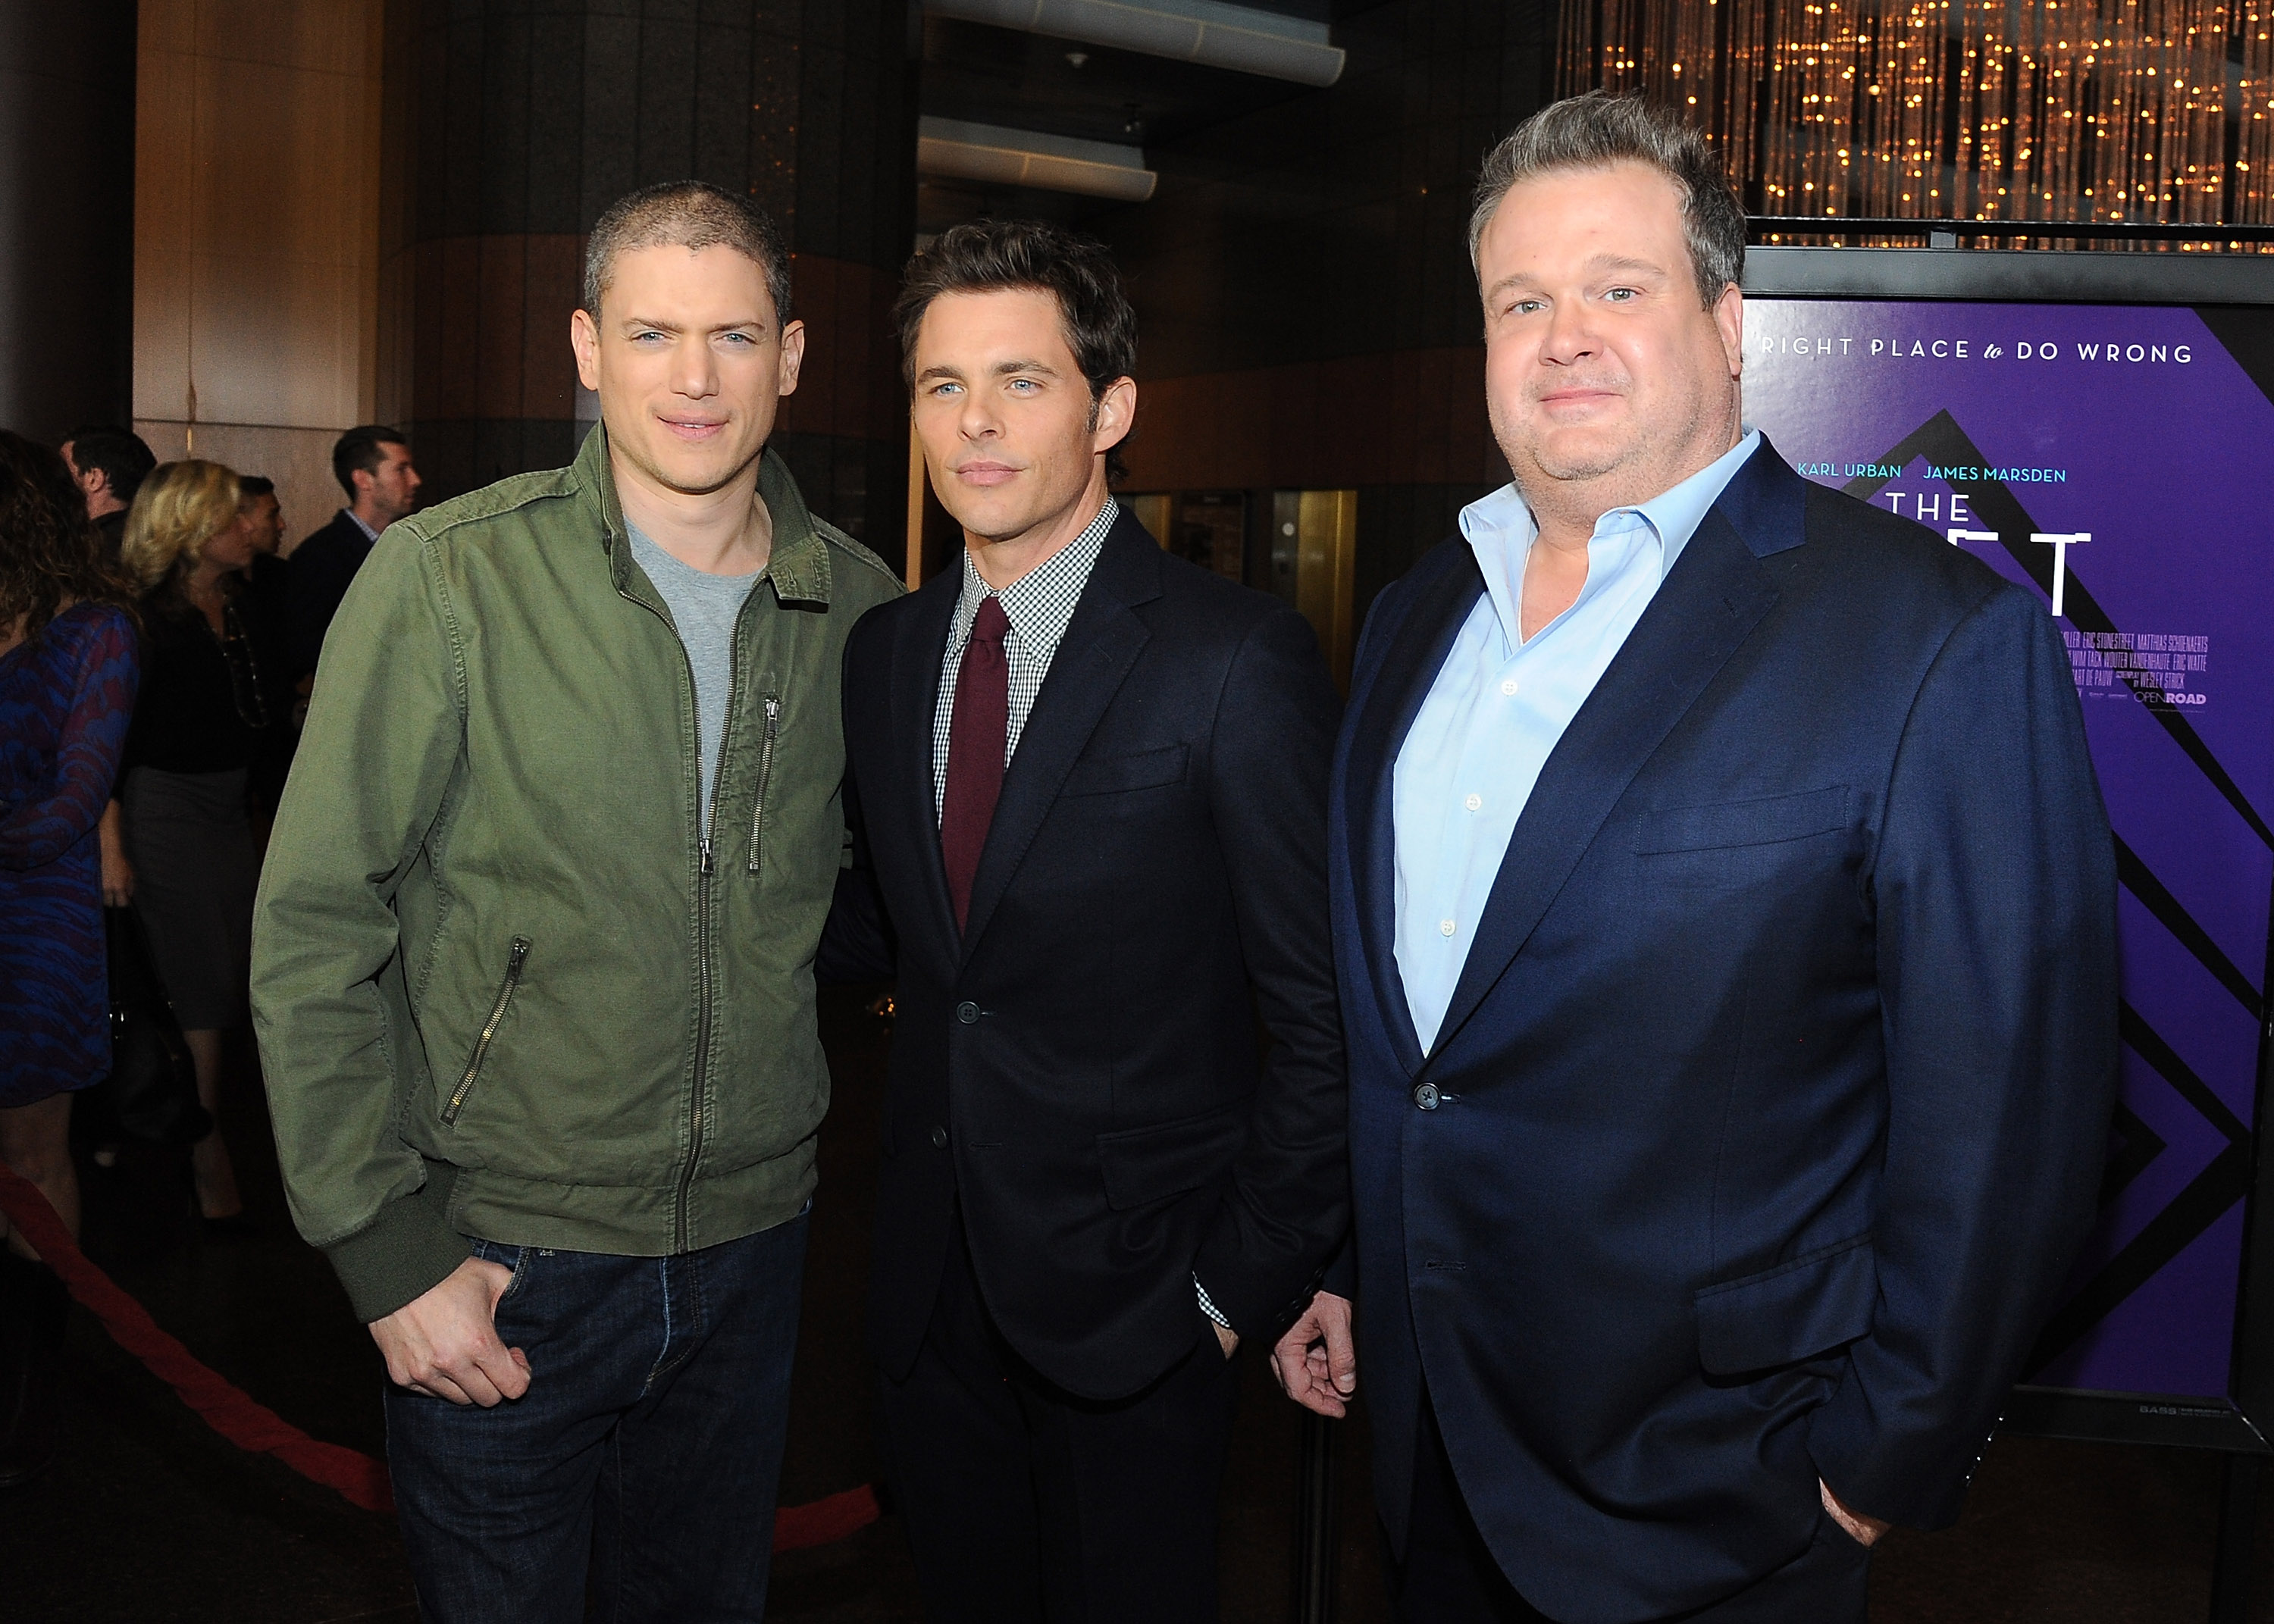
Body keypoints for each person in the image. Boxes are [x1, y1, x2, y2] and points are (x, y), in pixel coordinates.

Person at [1330, 93, 2118, 1623]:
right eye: (1522, 301)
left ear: (1729, 320)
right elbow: (1423, 1045)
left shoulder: (1931, 642)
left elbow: (2013, 1115)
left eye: (1618, 289)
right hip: (1432, 1453)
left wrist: (1878, 1462)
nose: (1565, 336)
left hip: (1722, 1502)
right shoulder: (1417, 612)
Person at [251, 180, 902, 1622]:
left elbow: (865, 898)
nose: (693, 377)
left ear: (791, 357)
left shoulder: (862, 604)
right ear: (586, 347)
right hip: (498, 1257)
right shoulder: (448, 577)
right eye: (652, 332)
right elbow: (312, 928)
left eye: (734, 336)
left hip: (752, 1254)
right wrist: (384, 1250)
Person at [822, 219, 1352, 1622]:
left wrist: (1232, 1288)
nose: (975, 422)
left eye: (1022, 380)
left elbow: (1322, 1011)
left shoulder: (1234, 658)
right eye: (942, 384)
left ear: (1111, 407)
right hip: (929, 1298)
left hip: (1143, 1309)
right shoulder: (882, 655)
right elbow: (899, 934)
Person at [0, 430, 139, 1488]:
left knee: (35, 1155)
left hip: (33, 929)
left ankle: (36, 1358)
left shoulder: (95, 632)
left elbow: (69, 806)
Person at [115, 460, 272, 1228]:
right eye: (232, 518)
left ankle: (182, 1131)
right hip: (165, 807)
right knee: (200, 976)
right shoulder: (141, 617)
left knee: (232, 972)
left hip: (226, 807)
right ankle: (204, 1151)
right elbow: (107, 739)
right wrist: (111, 838)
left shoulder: (239, 603)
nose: (250, 528)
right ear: (190, 529)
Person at [283, 424, 420, 681]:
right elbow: (309, 651)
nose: (415, 480)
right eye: (401, 470)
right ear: (363, 479)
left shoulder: (410, 545)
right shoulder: (319, 556)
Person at [230, 476, 296, 821]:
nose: (282, 525)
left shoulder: (282, 575)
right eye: (272, 515)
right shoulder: (218, 589)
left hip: (281, 737)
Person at [59, 425, 156, 564]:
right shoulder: (148, 541)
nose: (57, 476)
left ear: (94, 479)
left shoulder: (88, 551)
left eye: (64, 468)